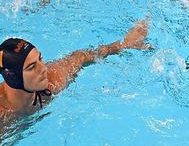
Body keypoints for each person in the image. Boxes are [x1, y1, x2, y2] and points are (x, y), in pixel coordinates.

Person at [0, 21, 149, 121]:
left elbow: (80, 57)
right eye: (32, 67)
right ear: (12, 76)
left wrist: (123, 45)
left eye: (40, 59)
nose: (43, 68)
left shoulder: (52, 82)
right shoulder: (3, 116)